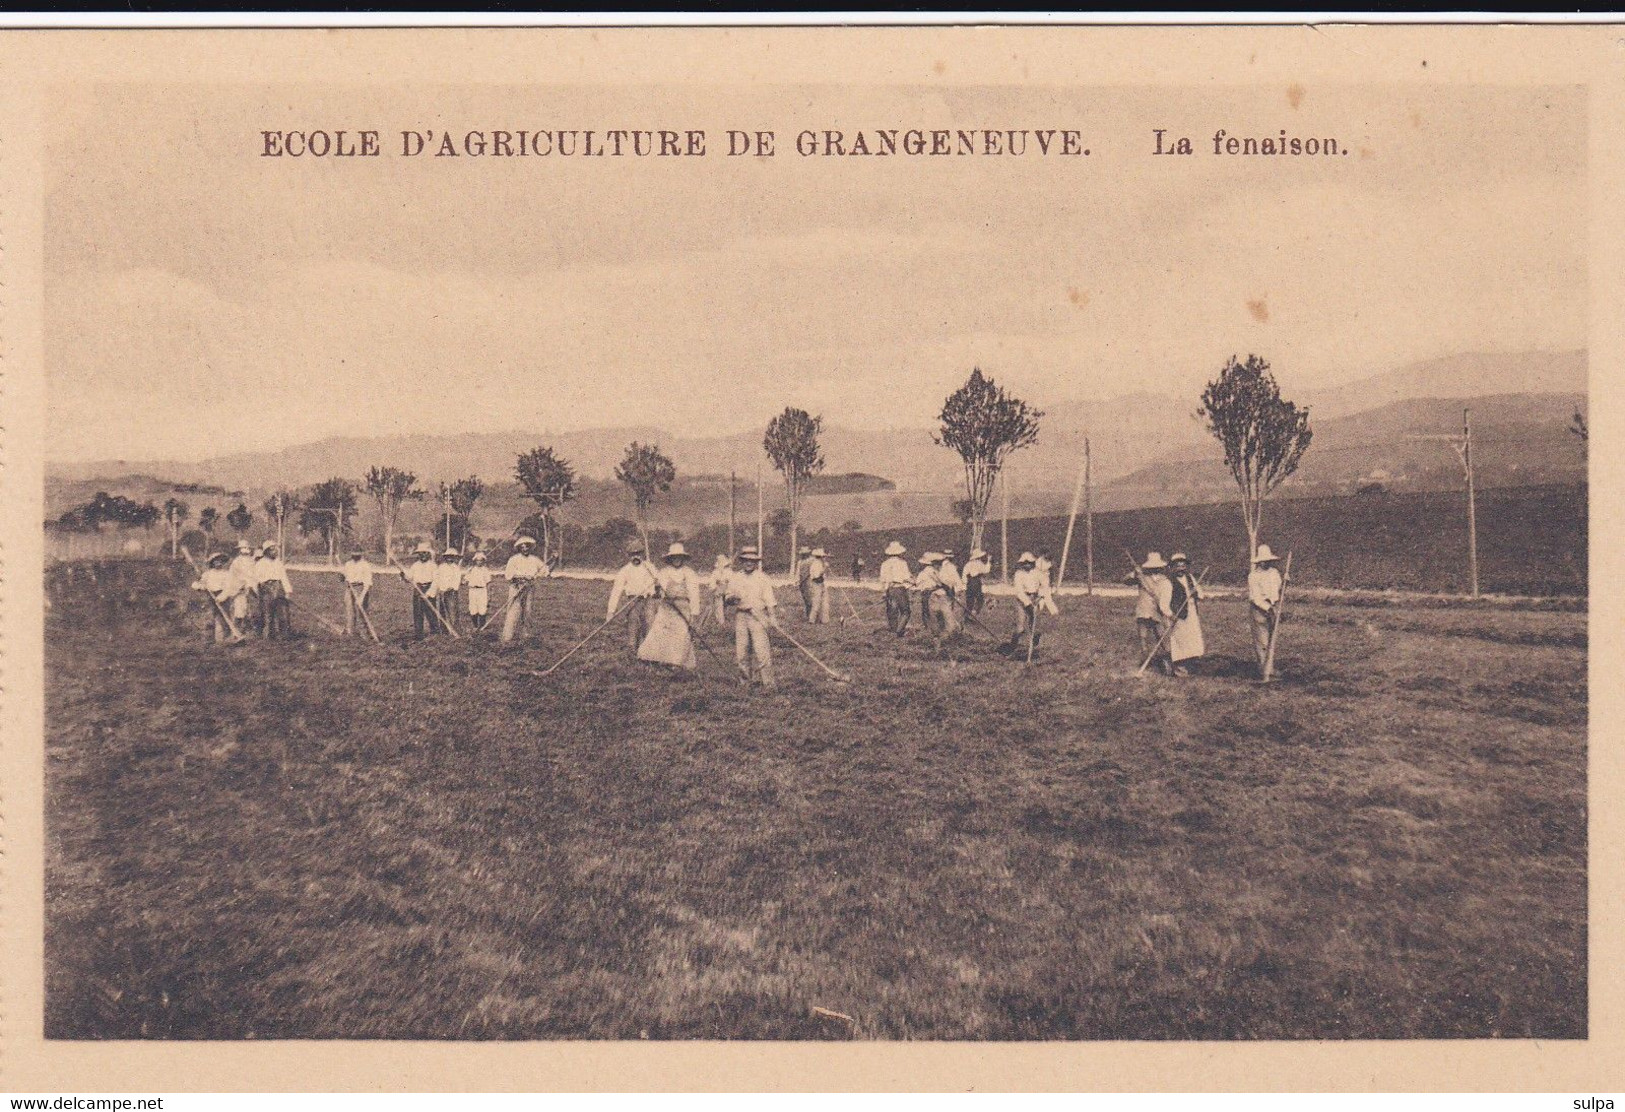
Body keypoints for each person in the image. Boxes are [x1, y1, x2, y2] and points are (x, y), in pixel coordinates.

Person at [640, 542, 703, 670]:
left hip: (683, 608)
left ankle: (677, 663)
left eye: (679, 557)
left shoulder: (689, 573)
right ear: (670, 558)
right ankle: (659, 660)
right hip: (667, 607)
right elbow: (658, 592)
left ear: (683, 558)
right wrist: (658, 589)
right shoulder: (664, 572)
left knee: (680, 635)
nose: (676, 559)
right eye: (674, 557)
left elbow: (694, 594)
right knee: (662, 632)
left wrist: (694, 613)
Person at [727, 546, 778, 687]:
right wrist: (732, 599)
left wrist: (772, 617)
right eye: (746, 560)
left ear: (756, 562)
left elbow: (770, 600)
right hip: (741, 616)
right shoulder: (735, 577)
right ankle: (745, 683)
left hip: (758, 616)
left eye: (752, 561)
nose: (749, 563)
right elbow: (728, 597)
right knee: (742, 653)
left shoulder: (763, 578)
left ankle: (769, 684)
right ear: (742, 561)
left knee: (762, 652)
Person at [607, 542, 659, 654]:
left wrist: (657, 582)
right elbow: (616, 591)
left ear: (642, 554)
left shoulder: (650, 567)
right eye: (632, 554)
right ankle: (632, 650)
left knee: (650, 623)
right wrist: (610, 611)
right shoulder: (624, 571)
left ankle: (648, 652)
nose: (636, 557)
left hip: (648, 600)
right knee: (633, 624)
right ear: (629, 556)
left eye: (638, 554)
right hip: (632, 601)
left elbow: (659, 581)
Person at [1126, 551, 1171, 674]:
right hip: (1144, 609)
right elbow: (1126, 581)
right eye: (1153, 567)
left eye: (1157, 567)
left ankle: (1167, 657)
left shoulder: (1165, 580)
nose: (1155, 569)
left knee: (1161, 635)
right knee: (1143, 636)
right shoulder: (1141, 577)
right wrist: (1135, 573)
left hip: (1158, 611)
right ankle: (1145, 657)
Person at [1247, 544, 1287, 679]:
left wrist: (1286, 580)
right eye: (1264, 560)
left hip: (1274, 607)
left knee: (1272, 639)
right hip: (1260, 609)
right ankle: (1264, 671)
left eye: (1268, 560)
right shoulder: (1253, 576)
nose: (1267, 562)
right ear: (1259, 561)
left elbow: (1280, 589)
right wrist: (1268, 608)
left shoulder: (1274, 573)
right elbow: (1255, 598)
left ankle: (1270, 668)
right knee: (1262, 641)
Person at [500, 535, 548, 643]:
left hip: (529, 588)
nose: (525, 549)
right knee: (513, 611)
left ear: (530, 548)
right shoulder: (513, 560)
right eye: (522, 547)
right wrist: (521, 578)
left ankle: (526, 635)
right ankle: (507, 636)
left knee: (527, 611)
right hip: (516, 587)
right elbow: (508, 575)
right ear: (519, 548)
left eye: (527, 546)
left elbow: (545, 571)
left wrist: (555, 559)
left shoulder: (535, 560)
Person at [1165, 552, 1205, 676]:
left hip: (1192, 614)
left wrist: (1195, 593)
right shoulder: (1168, 582)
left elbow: (1201, 594)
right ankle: (1179, 669)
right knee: (1180, 642)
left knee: (1192, 640)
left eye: (1183, 566)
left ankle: (1191, 667)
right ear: (1173, 567)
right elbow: (1163, 604)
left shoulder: (1190, 578)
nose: (1181, 569)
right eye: (1178, 566)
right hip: (1178, 616)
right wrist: (1171, 615)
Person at [191, 551, 236, 642]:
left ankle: (226, 638)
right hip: (210, 597)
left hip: (223, 597)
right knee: (210, 617)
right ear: (212, 563)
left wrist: (222, 596)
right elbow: (196, 584)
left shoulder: (226, 574)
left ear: (223, 562)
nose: (218, 563)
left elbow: (229, 587)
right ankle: (209, 639)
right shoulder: (207, 574)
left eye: (220, 561)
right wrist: (201, 586)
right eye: (215, 561)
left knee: (224, 617)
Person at [1007, 551, 1045, 658]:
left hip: (1035, 598)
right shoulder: (1018, 574)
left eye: (1030, 563)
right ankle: (1012, 648)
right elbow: (1019, 591)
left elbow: (1043, 586)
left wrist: (1040, 597)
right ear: (1022, 564)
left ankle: (1032, 649)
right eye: (1025, 563)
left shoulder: (1038, 573)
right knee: (1020, 628)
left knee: (1034, 626)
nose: (1027, 565)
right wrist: (1028, 603)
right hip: (1022, 600)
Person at [255, 542, 294, 639]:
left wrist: (288, 591)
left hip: (279, 588)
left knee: (283, 612)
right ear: (266, 551)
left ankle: (284, 634)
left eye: (275, 549)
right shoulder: (260, 563)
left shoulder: (278, 563)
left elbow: (284, 577)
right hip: (266, 589)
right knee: (268, 613)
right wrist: (263, 589)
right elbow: (257, 578)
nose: (275, 551)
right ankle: (268, 635)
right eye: (272, 549)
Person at [878, 541, 913, 636]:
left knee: (892, 611)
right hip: (900, 589)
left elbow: (883, 580)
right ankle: (899, 631)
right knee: (905, 611)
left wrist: (884, 592)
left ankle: (894, 630)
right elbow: (906, 577)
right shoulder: (902, 563)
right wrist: (913, 582)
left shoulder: (884, 564)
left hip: (890, 589)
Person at [406, 543, 439, 638]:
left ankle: (434, 632)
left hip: (429, 588)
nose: (422, 555)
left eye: (424, 553)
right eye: (420, 553)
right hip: (418, 589)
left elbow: (436, 581)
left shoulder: (433, 566)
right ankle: (418, 634)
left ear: (428, 554)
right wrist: (404, 576)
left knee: (430, 611)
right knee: (418, 612)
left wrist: (428, 594)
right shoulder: (415, 565)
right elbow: (409, 577)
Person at [341, 547, 375, 637]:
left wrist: (361, 597)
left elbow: (368, 583)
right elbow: (343, 577)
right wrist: (342, 576)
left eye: (357, 555)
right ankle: (350, 632)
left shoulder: (365, 565)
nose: (354, 556)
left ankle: (364, 633)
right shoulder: (348, 564)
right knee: (349, 611)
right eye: (353, 555)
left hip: (360, 588)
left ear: (360, 554)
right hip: (349, 588)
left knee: (361, 611)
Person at [228, 540, 258, 635]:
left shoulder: (252, 561)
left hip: (252, 587)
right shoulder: (236, 562)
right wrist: (239, 586)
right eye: (243, 548)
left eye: (247, 548)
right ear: (240, 550)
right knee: (240, 609)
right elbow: (232, 576)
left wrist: (253, 586)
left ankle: (251, 628)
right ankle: (237, 630)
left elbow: (255, 574)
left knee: (252, 609)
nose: (246, 550)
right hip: (240, 588)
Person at [435, 547, 464, 633]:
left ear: (455, 558)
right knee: (442, 611)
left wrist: (450, 588)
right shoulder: (441, 567)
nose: (450, 558)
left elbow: (457, 581)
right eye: (448, 556)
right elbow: (437, 578)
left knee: (452, 612)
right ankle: (444, 631)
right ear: (445, 557)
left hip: (451, 592)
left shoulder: (456, 568)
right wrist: (440, 589)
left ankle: (454, 630)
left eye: (452, 556)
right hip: (442, 592)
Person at [465, 552, 492, 631]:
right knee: (473, 609)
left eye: (481, 560)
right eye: (477, 560)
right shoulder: (471, 569)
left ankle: (482, 627)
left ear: (483, 561)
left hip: (482, 590)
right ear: (475, 561)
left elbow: (488, 583)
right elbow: (465, 581)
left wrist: (489, 595)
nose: (479, 562)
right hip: (473, 590)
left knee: (482, 609)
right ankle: (475, 626)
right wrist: (467, 573)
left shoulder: (485, 570)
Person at [962, 548, 991, 616]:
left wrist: (965, 584)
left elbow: (964, 576)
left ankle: (967, 616)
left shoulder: (967, 564)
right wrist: (989, 561)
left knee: (969, 601)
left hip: (969, 583)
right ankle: (975, 612)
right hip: (976, 582)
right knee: (980, 599)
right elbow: (986, 570)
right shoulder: (979, 563)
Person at [805, 547, 831, 624]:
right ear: (820, 556)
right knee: (816, 603)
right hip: (816, 584)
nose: (824, 558)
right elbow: (817, 576)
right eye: (823, 556)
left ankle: (824, 620)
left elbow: (823, 576)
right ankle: (812, 620)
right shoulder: (816, 564)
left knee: (825, 602)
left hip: (821, 584)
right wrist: (825, 568)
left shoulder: (820, 563)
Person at [707, 554, 732, 628]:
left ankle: (728, 619)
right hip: (719, 592)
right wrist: (715, 588)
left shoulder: (729, 572)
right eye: (719, 562)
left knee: (727, 605)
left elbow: (732, 582)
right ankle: (721, 622)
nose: (721, 564)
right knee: (719, 603)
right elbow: (712, 582)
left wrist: (727, 590)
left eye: (722, 562)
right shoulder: (715, 572)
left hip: (728, 591)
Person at [1035, 550, 1060, 616]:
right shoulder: (1039, 561)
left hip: (1045, 580)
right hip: (1039, 580)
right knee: (1041, 596)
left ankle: (1054, 612)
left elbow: (1052, 573)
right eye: (1045, 554)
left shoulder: (1050, 563)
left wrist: (1052, 582)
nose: (1046, 556)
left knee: (1045, 596)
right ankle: (1040, 610)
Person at [796, 546, 814, 620]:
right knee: (806, 599)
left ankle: (812, 616)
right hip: (802, 583)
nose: (804, 555)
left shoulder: (811, 561)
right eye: (803, 554)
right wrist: (797, 581)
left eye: (805, 554)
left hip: (809, 582)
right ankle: (808, 615)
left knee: (810, 600)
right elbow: (798, 572)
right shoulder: (800, 562)